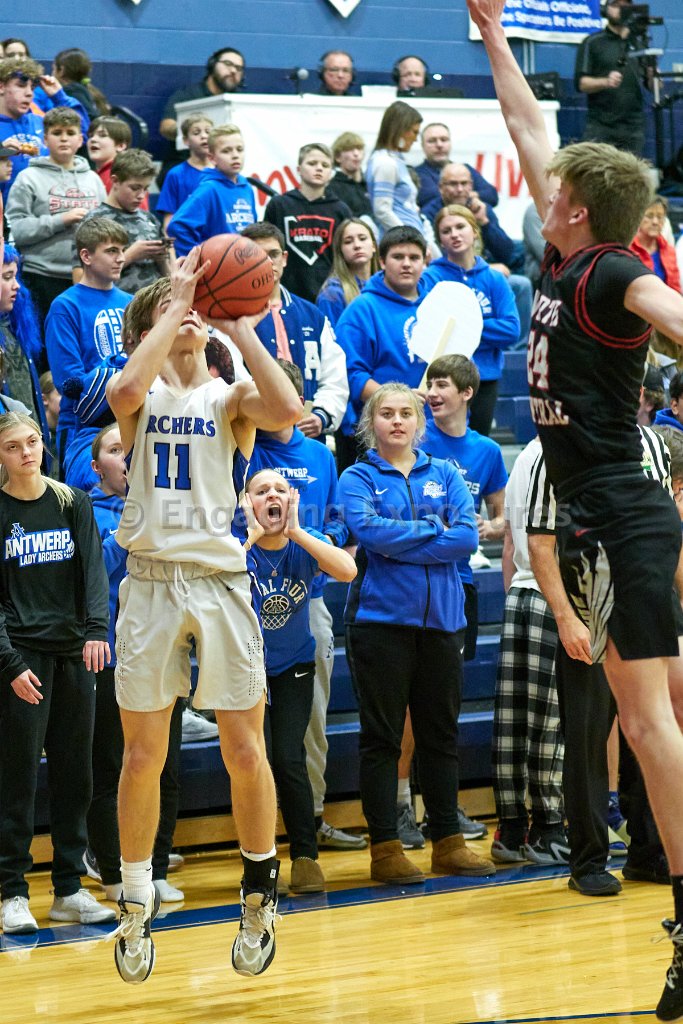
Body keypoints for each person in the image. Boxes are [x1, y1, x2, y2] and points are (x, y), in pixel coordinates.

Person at [467, 0, 683, 1016]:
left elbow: (667, 312)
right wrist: (493, 34)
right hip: (594, 514)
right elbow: (526, 124)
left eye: (555, 189)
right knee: (649, 718)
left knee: (645, 722)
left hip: (627, 513)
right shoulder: (563, 257)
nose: (540, 186)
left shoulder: (615, 271)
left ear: (576, 211)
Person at [105, 252, 301, 983]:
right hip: (151, 582)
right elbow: (126, 386)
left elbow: (287, 411)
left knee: (245, 748)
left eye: (193, 304)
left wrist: (241, 323)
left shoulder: (229, 396)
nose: (186, 309)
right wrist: (172, 306)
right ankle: (134, 901)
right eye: (170, 306)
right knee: (141, 755)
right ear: (147, 328)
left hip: (219, 581)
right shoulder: (136, 395)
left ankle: (258, 892)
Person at [338, 382, 495, 884]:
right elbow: (369, 532)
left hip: (444, 623)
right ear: (372, 423)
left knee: (441, 736)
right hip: (380, 624)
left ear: (419, 423)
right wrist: (433, 531)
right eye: (387, 413)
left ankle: (448, 842)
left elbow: (466, 538)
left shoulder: (445, 472)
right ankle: (385, 848)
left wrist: (404, 541)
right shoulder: (357, 477)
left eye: (406, 413)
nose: (397, 421)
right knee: (382, 740)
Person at [0, 411, 113, 935]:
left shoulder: (72, 502)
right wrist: (10, 664)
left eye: (32, 442)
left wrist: (95, 631)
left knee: (76, 776)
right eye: (13, 446)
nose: (27, 453)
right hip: (22, 661)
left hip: (74, 656)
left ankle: (68, 889)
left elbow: (93, 572)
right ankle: (12, 893)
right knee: (18, 778)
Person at [246, 360, 364, 854]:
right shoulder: (244, 448)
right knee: (251, 738)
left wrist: (316, 545)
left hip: (306, 596)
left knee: (310, 722)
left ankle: (311, 819)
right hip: (248, 596)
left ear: (297, 403)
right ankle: (257, 834)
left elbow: (338, 520)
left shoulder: (320, 453)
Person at [85, 422, 185, 905]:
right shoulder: (84, 510)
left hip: (165, 648)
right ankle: (112, 869)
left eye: (132, 449)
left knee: (167, 765)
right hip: (109, 653)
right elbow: (96, 570)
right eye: (115, 450)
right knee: (114, 765)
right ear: (96, 466)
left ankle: (156, 866)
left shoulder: (173, 502)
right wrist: (136, 518)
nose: (126, 457)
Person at [244, 469, 357, 892]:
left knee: (290, 758)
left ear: (292, 500)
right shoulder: (235, 546)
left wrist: (296, 532)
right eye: (261, 491)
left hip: (293, 665)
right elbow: (214, 580)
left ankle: (305, 856)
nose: (272, 495)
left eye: (280, 490)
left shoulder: (305, 542)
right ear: (246, 504)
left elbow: (347, 570)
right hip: (246, 670)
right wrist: (251, 537)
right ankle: (257, 861)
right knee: (252, 760)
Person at [490, 434, 568, 867]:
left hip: (520, 592)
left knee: (513, 723)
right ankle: (549, 829)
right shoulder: (563, 452)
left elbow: (508, 545)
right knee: (547, 723)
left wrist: (514, 600)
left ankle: (511, 829)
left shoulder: (525, 455)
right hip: (554, 595)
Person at [242, 222, 349, 437]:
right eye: (257, 255)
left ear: (284, 258)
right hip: (253, 437)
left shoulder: (312, 315)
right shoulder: (232, 317)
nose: (267, 262)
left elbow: (334, 376)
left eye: (273, 254)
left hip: (308, 438)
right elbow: (232, 378)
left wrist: (321, 415)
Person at [422, 204, 520, 435]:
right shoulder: (431, 278)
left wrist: (462, 325)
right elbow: (434, 328)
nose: (454, 234)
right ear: (440, 240)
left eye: (460, 227)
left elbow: (511, 330)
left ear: (474, 231)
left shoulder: (494, 279)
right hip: (443, 380)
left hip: (485, 377)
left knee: (478, 444)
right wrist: (484, 330)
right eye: (446, 231)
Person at [7, 105, 105, 324]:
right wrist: (60, 220)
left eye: (70, 133)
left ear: (80, 140)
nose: (64, 138)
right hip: (42, 276)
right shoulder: (28, 178)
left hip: (88, 277)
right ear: (45, 139)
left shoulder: (93, 179)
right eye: (57, 133)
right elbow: (16, 230)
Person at [46, 217, 131, 471]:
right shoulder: (65, 306)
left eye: (123, 250)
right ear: (86, 256)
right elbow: (69, 382)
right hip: (82, 426)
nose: (121, 258)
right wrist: (121, 373)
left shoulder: (132, 301)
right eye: (112, 251)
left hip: (129, 417)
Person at [335, 225, 428, 441]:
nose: (406, 264)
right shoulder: (361, 310)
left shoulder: (436, 305)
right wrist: (400, 402)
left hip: (432, 429)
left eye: (414, 257)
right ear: (383, 261)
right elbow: (351, 375)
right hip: (379, 433)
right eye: (398, 257)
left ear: (424, 262)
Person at [316, 218, 380, 472]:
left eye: (363, 238)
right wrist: (348, 418)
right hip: (353, 412)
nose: (357, 245)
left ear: (374, 245)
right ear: (339, 250)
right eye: (348, 241)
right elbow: (335, 356)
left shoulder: (386, 287)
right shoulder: (331, 294)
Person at [263, 143, 353, 303]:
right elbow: (266, 250)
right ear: (299, 169)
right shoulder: (279, 205)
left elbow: (345, 257)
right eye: (312, 163)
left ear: (331, 173)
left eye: (325, 165)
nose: (319, 168)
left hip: (329, 295)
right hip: (286, 293)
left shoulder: (341, 210)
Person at [76, 149, 169, 294]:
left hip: (154, 301)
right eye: (135, 188)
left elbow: (168, 276)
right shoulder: (93, 221)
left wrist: (161, 259)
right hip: (113, 304)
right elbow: (80, 280)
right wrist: (131, 255)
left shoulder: (150, 219)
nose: (141, 195)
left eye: (145, 189)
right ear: (115, 181)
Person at [0, 55, 87, 198]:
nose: (29, 93)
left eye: (32, 87)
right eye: (21, 86)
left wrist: (59, 96)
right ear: (1, 87)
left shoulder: (41, 122)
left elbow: (80, 134)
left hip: (47, 207)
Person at [168, 124, 256, 257]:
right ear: (212, 158)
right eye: (226, 151)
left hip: (245, 261)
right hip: (220, 265)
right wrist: (199, 259)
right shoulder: (209, 189)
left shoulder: (247, 187)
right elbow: (178, 226)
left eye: (239, 149)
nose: (235, 155)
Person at [574, 0, 646, 155]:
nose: (621, 9)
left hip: (633, 128)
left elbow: (654, 86)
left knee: (630, 170)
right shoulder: (592, 42)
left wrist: (654, 73)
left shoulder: (639, 45)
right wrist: (605, 81)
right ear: (605, 9)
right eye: (616, 5)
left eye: (625, 6)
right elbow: (581, 84)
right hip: (600, 127)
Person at [366, 102, 436, 254]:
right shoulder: (385, 162)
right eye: (414, 132)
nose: (416, 139)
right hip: (401, 246)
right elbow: (382, 210)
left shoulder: (393, 160)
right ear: (400, 130)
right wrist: (409, 240)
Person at [0, 244, 49, 436]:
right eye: (7, 277)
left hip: (29, 438)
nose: (17, 285)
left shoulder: (15, 325)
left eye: (15, 276)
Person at [158, 47, 245, 147]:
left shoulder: (240, 100)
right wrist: (192, 130)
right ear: (212, 65)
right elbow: (166, 127)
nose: (233, 70)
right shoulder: (188, 95)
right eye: (228, 63)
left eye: (239, 68)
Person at [415, 122, 498, 213]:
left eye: (444, 140)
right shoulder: (416, 174)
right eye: (432, 141)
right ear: (422, 146)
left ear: (450, 143)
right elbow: (433, 197)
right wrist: (468, 196)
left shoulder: (465, 169)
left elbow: (492, 195)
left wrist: (466, 196)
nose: (439, 145)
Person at [155, 114, 213, 232]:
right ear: (186, 140)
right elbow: (169, 219)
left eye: (208, 132)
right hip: (188, 240)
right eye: (196, 133)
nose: (204, 136)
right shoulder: (175, 175)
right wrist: (170, 242)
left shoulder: (223, 172)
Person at [630, 196, 682, 294]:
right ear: (638, 218)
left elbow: (675, 289)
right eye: (649, 216)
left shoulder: (669, 251)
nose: (655, 222)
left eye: (660, 217)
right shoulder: (628, 250)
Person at [52, 48, 110, 121]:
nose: (52, 73)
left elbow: (91, 117)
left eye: (53, 69)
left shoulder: (71, 92)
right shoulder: (88, 90)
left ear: (61, 70)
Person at [329, 132, 374, 221]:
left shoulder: (369, 184)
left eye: (359, 149)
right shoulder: (332, 188)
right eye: (349, 149)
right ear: (338, 157)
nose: (356, 153)